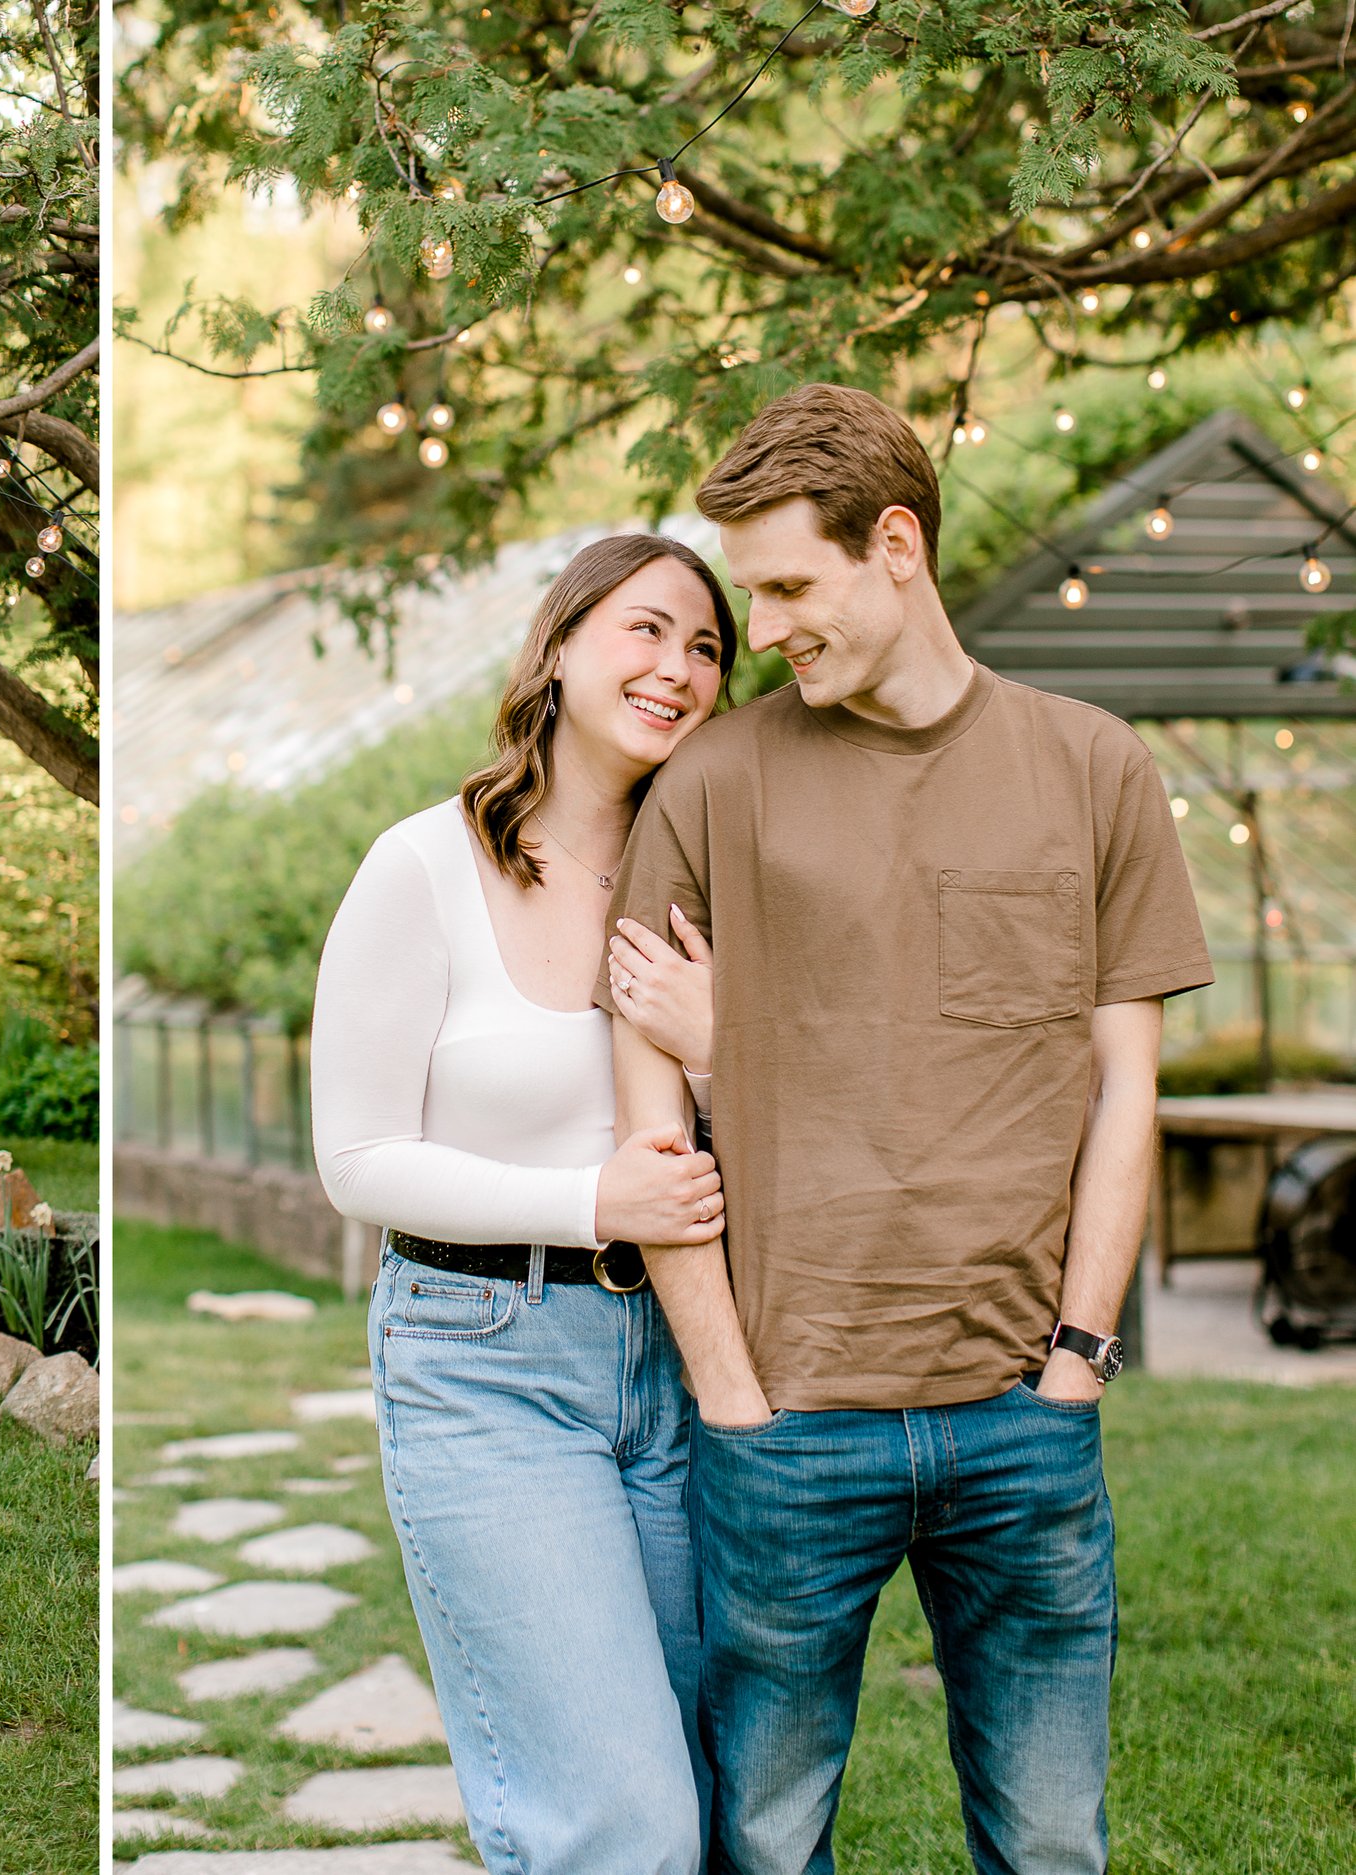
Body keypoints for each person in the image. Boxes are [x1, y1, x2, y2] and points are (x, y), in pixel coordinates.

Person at [600, 383, 1212, 1875]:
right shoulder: (711, 781)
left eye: (793, 586)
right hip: (786, 1423)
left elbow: (1125, 1087)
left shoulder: (1092, 766)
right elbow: (651, 1124)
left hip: (1025, 1414)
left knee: (1055, 1840)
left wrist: (1078, 1359)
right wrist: (734, 1395)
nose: (770, 624)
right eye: (754, 592)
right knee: (765, 1837)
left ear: (897, 545)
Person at [310, 533, 739, 1875]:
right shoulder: (421, 867)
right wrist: (589, 1195)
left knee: (712, 1798)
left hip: (691, 1365)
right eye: (647, 629)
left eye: (710, 646)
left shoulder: (717, 883)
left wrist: (724, 1044)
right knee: (624, 1824)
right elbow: (358, 1158)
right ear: (557, 645)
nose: (679, 666)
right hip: (484, 1359)